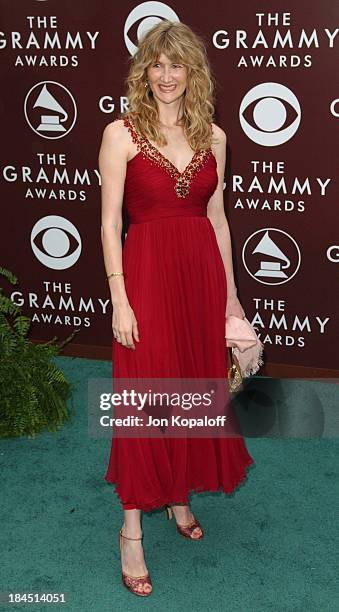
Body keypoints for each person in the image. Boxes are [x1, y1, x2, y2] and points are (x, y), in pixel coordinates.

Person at [99, 20, 254, 597]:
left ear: (193, 72)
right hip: (144, 278)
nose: (166, 76)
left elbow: (217, 221)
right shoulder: (121, 134)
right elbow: (111, 222)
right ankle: (131, 528)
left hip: (199, 280)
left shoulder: (214, 137)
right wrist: (120, 295)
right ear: (145, 71)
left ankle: (178, 492)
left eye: (176, 65)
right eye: (156, 65)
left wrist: (231, 300)